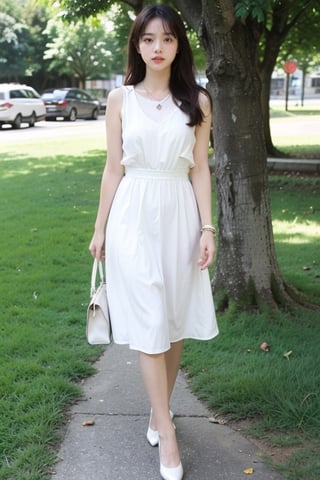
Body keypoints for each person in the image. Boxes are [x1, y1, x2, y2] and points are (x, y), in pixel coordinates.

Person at [89, 5, 219, 480]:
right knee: (147, 319)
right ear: (137, 45)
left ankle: (156, 408)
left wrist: (208, 228)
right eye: (148, 39)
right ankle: (167, 430)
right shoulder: (120, 99)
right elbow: (112, 168)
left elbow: (200, 169)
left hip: (180, 213)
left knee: (173, 319)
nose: (157, 48)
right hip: (132, 215)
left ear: (178, 44)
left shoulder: (199, 102)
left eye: (166, 39)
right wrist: (100, 227)